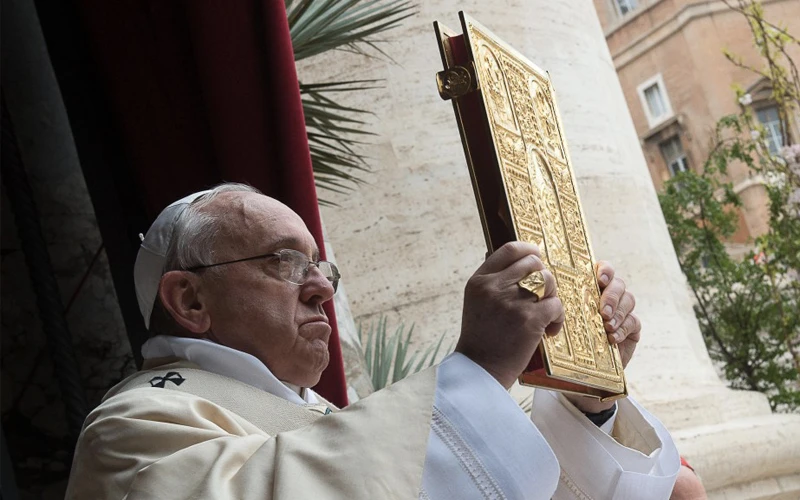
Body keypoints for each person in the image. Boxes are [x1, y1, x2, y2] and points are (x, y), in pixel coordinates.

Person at [66, 183, 680, 499]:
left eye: (321, 268)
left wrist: (588, 393)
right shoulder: (133, 427)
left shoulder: (319, 415)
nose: (320, 290)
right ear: (191, 300)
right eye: (283, 262)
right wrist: (479, 369)